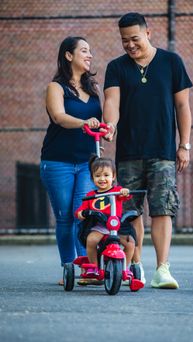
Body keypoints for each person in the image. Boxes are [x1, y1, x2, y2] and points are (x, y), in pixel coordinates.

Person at [103, 12, 193, 288]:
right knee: (129, 212)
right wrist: (110, 125)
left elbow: (182, 106)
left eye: (134, 38)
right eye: (124, 40)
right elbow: (112, 100)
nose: (129, 45)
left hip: (163, 151)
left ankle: (162, 269)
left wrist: (184, 145)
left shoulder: (171, 62)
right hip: (128, 152)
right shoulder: (116, 67)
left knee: (162, 208)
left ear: (148, 33)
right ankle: (135, 264)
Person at [40, 36, 102, 285]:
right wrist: (84, 124)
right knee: (65, 216)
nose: (89, 55)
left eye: (90, 51)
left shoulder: (93, 89)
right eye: (84, 51)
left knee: (83, 215)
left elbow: (101, 121)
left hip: (88, 163)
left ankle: (87, 269)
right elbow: (58, 116)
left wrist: (107, 129)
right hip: (58, 161)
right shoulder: (56, 87)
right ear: (68, 55)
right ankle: (68, 268)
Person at [74, 155, 136, 275]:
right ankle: (94, 267)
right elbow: (80, 210)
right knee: (91, 240)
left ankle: (125, 269)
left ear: (113, 176)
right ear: (92, 178)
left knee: (130, 243)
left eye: (106, 175)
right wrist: (80, 213)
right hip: (100, 225)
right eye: (98, 176)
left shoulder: (117, 191)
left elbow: (127, 196)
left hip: (116, 225)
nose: (102, 179)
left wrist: (125, 192)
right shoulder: (90, 195)